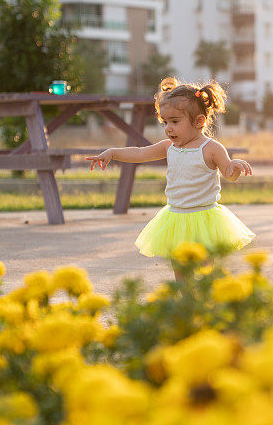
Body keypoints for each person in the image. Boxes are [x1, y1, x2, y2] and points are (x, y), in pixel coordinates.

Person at [86, 77, 255, 281]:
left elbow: (228, 172)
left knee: (206, 269)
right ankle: (185, 301)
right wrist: (112, 153)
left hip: (205, 218)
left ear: (199, 121)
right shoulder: (169, 146)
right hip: (175, 218)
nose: (168, 128)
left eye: (175, 122)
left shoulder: (211, 148)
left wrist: (234, 167)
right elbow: (140, 153)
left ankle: (208, 302)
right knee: (180, 270)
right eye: (165, 122)